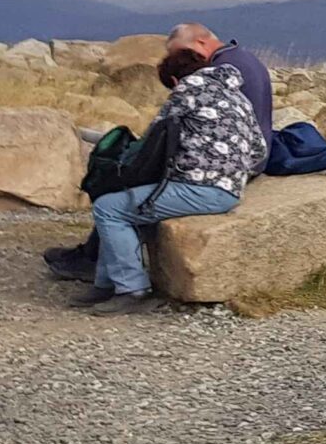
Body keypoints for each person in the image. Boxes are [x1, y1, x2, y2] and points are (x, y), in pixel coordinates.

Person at [43, 23, 275, 282]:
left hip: (222, 169)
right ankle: (97, 256)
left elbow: (161, 133)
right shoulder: (238, 62)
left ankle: (99, 262)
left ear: (200, 44)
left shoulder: (200, 80)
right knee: (140, 187)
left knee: (130, 185)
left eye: (183, 54)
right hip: (243, 158)